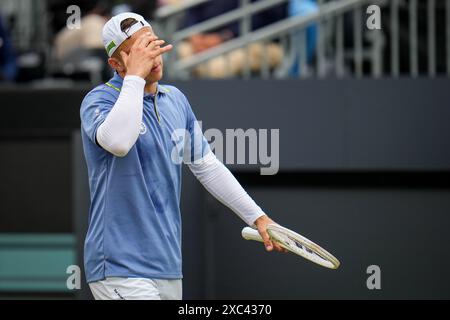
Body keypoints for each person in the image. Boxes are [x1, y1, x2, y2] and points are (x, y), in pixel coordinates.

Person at [80, 12, 285, 300]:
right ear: (115, 64)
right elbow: (119, 142)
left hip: (167, 267)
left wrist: (259, 219)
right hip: (118, 266)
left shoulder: (175, 99)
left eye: (152, 44)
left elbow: (207, 166)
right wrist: (136, 77)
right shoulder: (98, 100)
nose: (152, 56)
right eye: (139, 51)